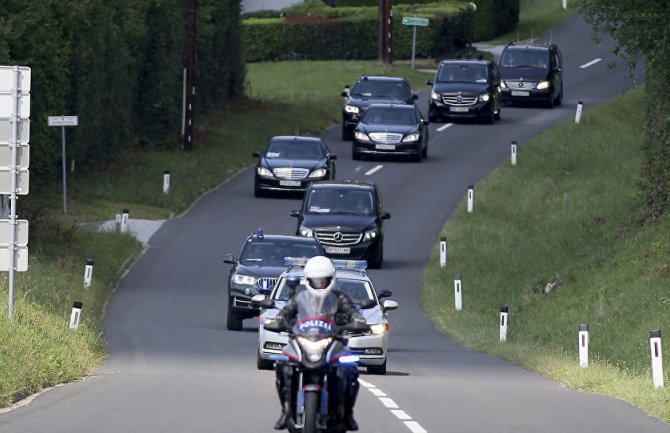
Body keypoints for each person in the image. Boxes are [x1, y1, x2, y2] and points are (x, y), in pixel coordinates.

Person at [272, 256, 367, 431]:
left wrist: (356, 321)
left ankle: (347, 414)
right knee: (283, 365)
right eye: (315, 281)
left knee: (350, 369)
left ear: (331, 279)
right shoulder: (299, 297)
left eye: (323, 280)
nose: (319, 284)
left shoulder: (340, 298)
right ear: (308, 280)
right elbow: (285, 313)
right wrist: (278, 320)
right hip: (305, 341)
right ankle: (286, 411)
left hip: (333, 343)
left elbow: (355, 314)